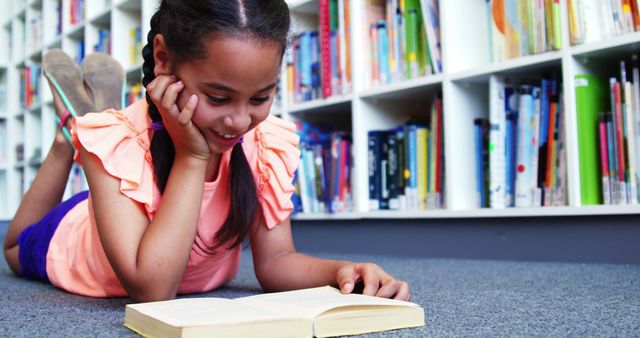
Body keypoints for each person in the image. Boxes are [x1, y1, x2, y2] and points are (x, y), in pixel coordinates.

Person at [3, 0, 411, 302]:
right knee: (14, 249)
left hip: (127, 200)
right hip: (79, 235)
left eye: (260, 98)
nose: (238, 122)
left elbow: (275, 261)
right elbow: (152, 288)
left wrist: (341, 271)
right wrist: (193, 158)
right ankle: (71, 133)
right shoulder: (117, 144)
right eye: (218, 98)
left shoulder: (264, 143)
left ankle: (82, 124)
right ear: (163, 59)